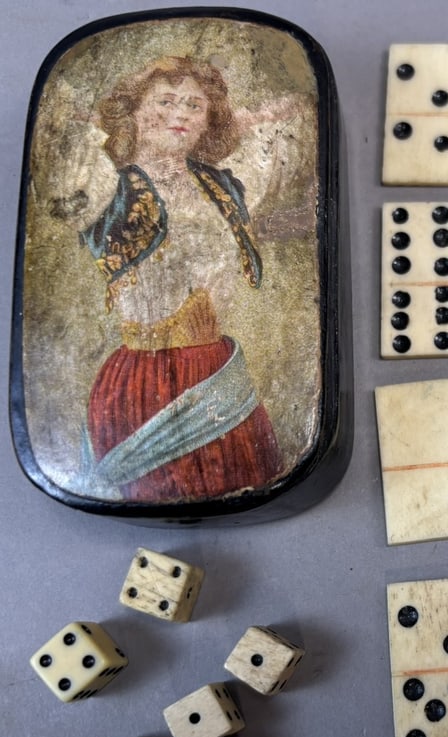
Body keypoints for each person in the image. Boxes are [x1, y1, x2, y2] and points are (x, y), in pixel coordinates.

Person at [77, 56, 282, 502]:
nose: (179, 115)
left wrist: (266, 120)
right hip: (143, 381)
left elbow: (270, 155)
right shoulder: (109, 188)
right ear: (133, 112)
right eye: (165, 101)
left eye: (194, 105)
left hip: (218, 375)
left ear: (209, 119)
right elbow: (70, 178)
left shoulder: (222, 185)